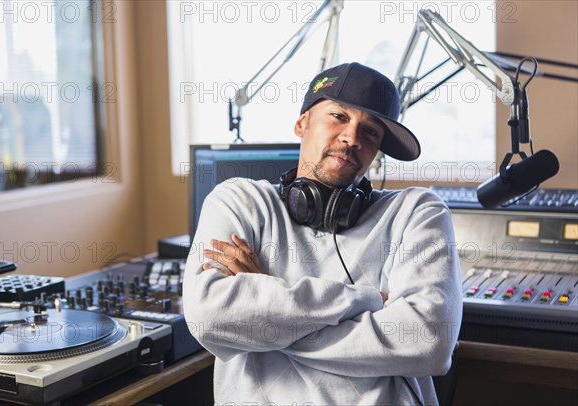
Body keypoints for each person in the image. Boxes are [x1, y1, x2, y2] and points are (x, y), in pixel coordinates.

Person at [184, 62, 462, 405]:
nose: (351, 138)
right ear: (302, 123)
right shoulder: (240, 201)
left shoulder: (417, 211)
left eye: (371, 132)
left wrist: (267, 311)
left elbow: (427, 341)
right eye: (339, 117)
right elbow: (211, 318)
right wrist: (369, 299)